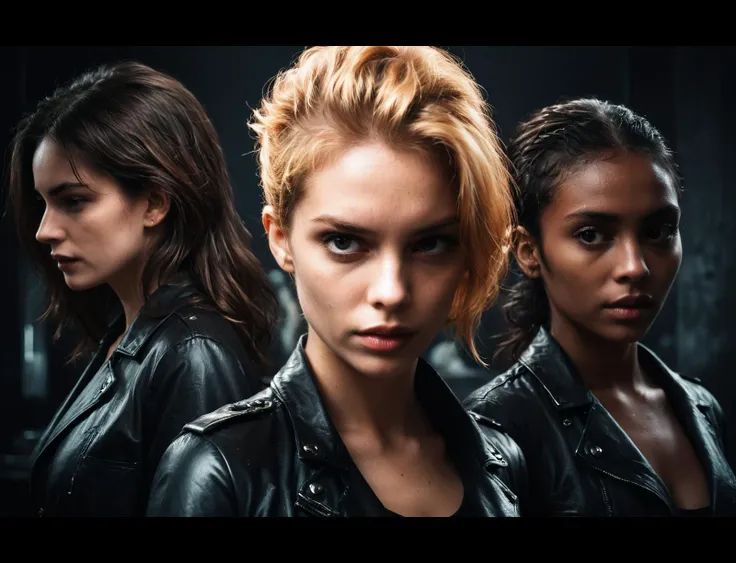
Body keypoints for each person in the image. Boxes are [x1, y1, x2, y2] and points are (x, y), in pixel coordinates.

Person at [146, 45, 526, 517]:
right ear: (281, 240)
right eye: (345, 242)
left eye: (429, 244)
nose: (391, 291)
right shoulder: (220, 471)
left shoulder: (503, 464)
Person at [8, 61, 280, 517]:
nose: (44, 230)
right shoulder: (131, 333)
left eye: (74, 201)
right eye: (43, 203)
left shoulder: (195, 353)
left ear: (154, 202)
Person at [464, 98, 736, 516]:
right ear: (528, 251)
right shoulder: (494, 428)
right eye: (592, 235)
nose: (635, 267)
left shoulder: (701, 406)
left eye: (658, 231)